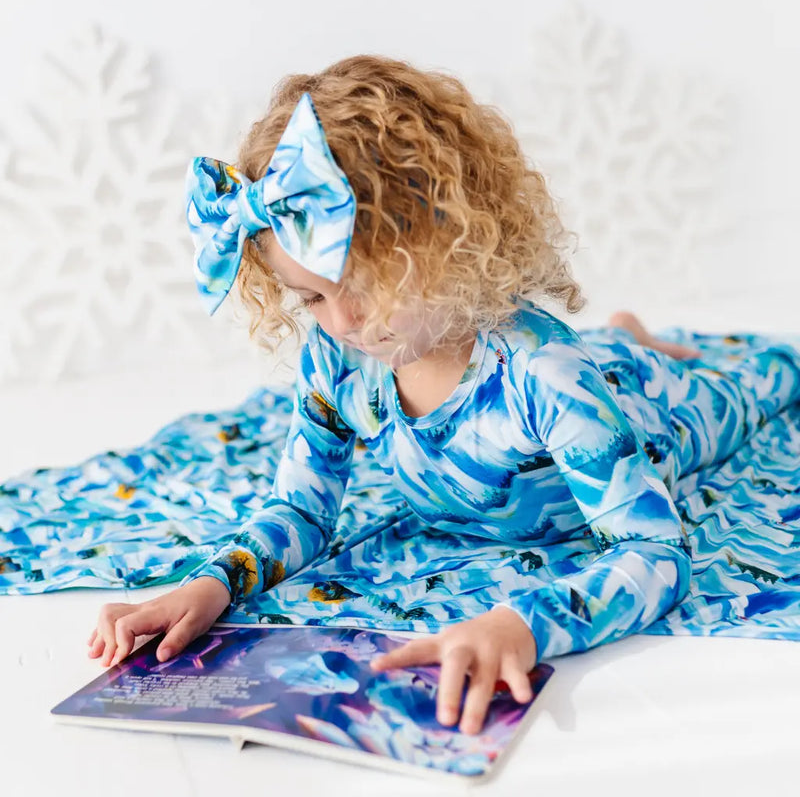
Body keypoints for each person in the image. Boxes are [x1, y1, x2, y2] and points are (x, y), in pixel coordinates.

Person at [86, 54, 800, 736]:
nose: (340, 323)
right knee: (613, 354)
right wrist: (210, 586)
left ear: (440, 242)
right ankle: (626, 337)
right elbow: (301, 507)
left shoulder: (545, 373)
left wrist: (523, 624)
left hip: (654, 414)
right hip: (589, 386)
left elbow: (655, 549)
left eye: (361, 288)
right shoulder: (338, 355)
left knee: (771, 374)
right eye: (311, 300)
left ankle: (635, 345)